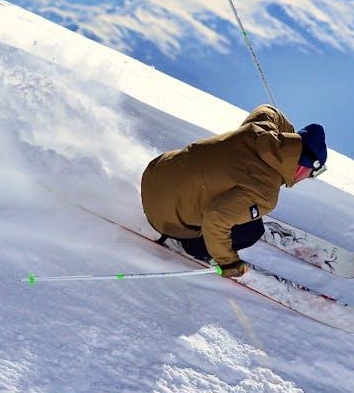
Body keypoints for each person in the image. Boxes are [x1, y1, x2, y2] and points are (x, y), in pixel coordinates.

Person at [140, 104, 327, 278]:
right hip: (164, 218)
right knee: (252, 230)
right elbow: (215, 218)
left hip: (154, 174)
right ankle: (190, 244)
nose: (307, 178)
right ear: (304, 167)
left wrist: (289, 140)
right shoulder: (266, 193)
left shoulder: (260, 128)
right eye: (313, 173)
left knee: (227, 192)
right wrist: (229, 263)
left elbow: (268, 109)